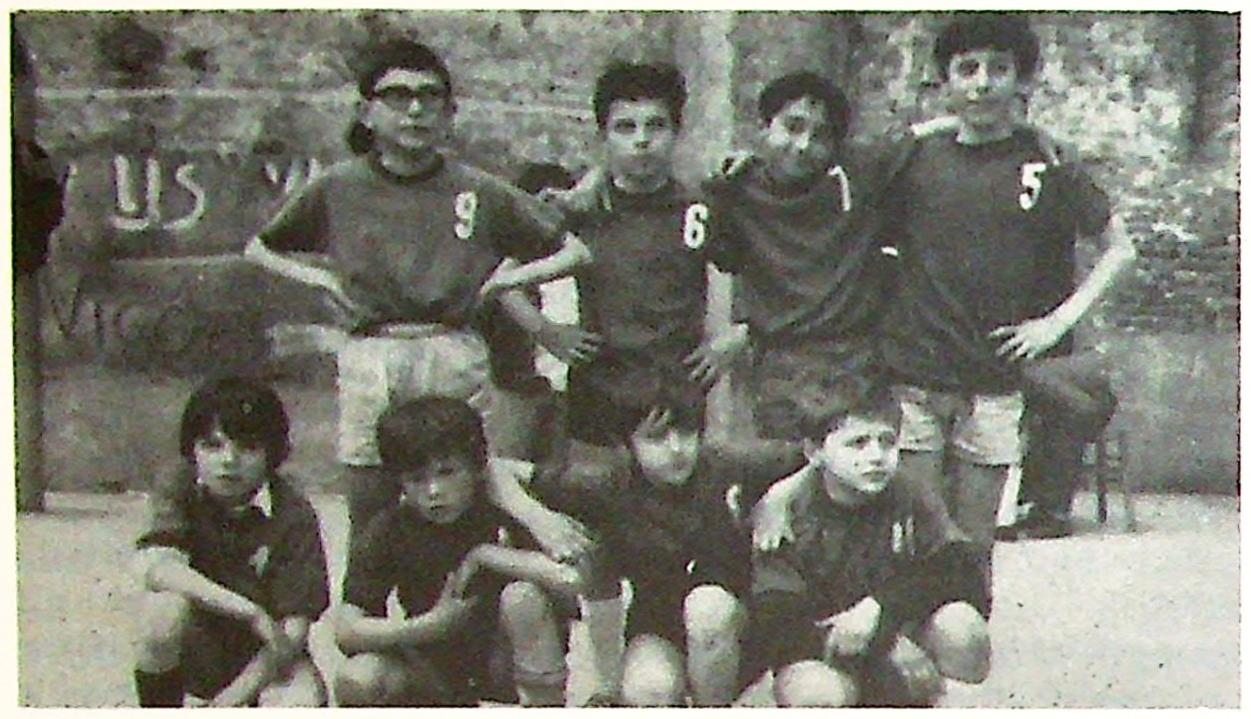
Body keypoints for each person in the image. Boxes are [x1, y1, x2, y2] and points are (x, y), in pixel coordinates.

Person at [243, 39, 592, 551]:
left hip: (452, 347)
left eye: (429, 97)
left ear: (449, 113)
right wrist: (320, 280)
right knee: (369, 490)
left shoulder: (477, 188)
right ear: (367, 112)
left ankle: (466, 590)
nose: (414, 109)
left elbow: (573, 251)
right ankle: (370, 593)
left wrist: (503, 282)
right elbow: (260, 248)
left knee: (464, 488)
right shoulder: (339, 186)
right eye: (397, 96)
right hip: (373, 350)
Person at [872, 14, 1135, 573]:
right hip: (915, 377)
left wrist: (1056, 323)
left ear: (1022, 80)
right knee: (916, 543)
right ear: (945, 81)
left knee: (973, 552)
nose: (982, 83)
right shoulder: (914, 157)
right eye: (967, 69)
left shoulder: (1048, 162)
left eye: (998, 69)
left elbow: (1120, 249)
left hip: (993, 381)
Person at [536, 379, 804, 706]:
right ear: (627, 444)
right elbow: (501, 470)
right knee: (648, 690)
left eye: (687, 433)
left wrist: (778, 496)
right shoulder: (607, 484)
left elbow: (817, 453)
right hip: (660, 625)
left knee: (706, 609)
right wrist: (536, 517)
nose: (676, 448)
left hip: (735, 623)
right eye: (657, 438)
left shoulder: (727, 464)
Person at [749, 379, 991, 707]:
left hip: (891, 631)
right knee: (816, 694)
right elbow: (777, 620)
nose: (876, 456)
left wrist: (880, 610)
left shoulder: (909, 492)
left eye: (887, 442)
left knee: (962, 629)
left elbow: (963, 572)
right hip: (822, 649)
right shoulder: (785, 511)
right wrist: (883, 644)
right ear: (814, 452)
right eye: (858, 443)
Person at [333, 397, 583, 706]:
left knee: (522, 598)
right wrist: (427, 626)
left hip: (507, 658)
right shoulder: (391, 527)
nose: (434, 491)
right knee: (359, 678)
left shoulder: (507, 510)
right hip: (435, 661)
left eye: (447, 472)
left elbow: (571, 580)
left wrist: (486, 555)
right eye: (417, 479)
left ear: (478, 468)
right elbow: (346, 629)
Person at [132, 377, 329, 707]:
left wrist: (227, 703)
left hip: (263, 653)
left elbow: (293, 631)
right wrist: (247, 610)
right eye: (212, 445)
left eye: (247, 447)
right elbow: (157, 566)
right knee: (162, 612)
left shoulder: (293, 512)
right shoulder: (179, 485)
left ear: (272, 453)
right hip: (197, 644)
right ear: (191, 450)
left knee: (302, 701)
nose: (228, 460)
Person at [12, 27, 66, 513]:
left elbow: (49, 211)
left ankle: (23, 490)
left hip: (19, 273)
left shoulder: (30, 157)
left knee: (21, 384)